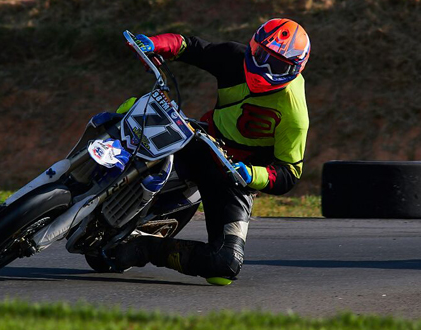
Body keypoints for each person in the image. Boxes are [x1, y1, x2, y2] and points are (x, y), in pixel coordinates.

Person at [113, 18, 311, 285]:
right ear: (253, 46)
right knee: (136, 111)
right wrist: (155, 44)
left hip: (234, 175)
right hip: (201, 141)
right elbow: (190, 47)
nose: (264, 67)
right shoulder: (235, 57)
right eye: (262, 55)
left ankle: (146, 247)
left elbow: (289, 172)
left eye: (277, 64)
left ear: (295, 69)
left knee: (225, 265)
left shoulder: (295, 113)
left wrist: (252, 175)